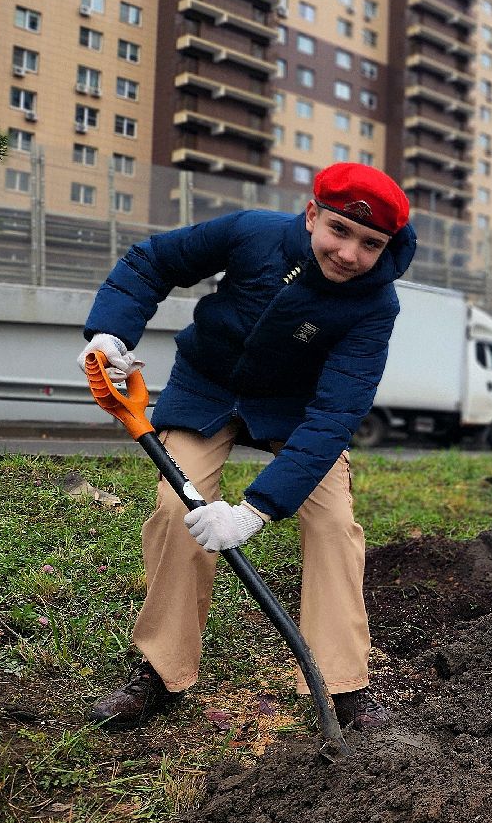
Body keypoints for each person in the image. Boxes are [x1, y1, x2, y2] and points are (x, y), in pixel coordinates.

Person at [80, 163, 416, 733]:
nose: (350, 254)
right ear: (312, 215)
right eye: (339, 230)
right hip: (208, 387)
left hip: (296, 410)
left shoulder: (374, 306)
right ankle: (161, 670)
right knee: (174, 510)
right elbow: (153, 261)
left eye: (371, 244)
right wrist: (111, 331)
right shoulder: (252, 232)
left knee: (333, 522)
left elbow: (335, 414)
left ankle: (344, 686)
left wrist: (254, 511)